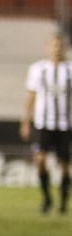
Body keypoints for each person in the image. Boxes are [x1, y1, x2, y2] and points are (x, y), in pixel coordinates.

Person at [19, 33, 72, 214]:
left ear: (65, 48)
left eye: (60, 46)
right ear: (48, 48)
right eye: (53, 46)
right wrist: (26, 121)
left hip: (66, 124)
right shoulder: (37, 69)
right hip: (43, 124)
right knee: (40, 160)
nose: (57, 49)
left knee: (65, 164)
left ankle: (63, 201)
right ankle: (47, 199)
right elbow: (31, 96)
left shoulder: (70, 69)